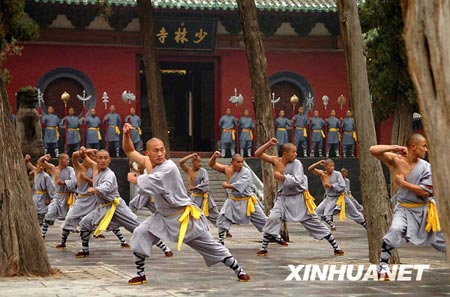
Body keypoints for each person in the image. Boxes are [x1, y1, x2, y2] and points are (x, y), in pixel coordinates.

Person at [123, 123, 250, 284]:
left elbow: (148, 181)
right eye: (156, 150)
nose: (161, 153)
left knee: (211, 246)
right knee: (140, 232)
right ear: (148, 153)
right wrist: (126, 134)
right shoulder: (148, 162)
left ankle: (239, 271)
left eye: (162, 149)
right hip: (162, 217)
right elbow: (129, 151)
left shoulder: (168, 167)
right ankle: (141, 274)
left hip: (183, 217)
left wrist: (133, 178)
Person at [369, 134, 446, 280]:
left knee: (443, 239)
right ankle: (383, 266)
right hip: (403, 208)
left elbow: (426, 191)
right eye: (424, 146)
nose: (426, 149)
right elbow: (373, 150)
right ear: (413, 147)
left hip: (425, 211)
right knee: (396, 229)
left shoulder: (426, 167)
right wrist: (396, 147)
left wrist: (403, 183)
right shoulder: (396, 160)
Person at [254, 138, 344, 256]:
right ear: (286, 153)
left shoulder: (297, 164)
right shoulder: (276, 161)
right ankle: (264, 248)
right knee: (272, 218)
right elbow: (258, 154)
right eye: (294, 152)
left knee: (314, 222)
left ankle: (335, 246)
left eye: (296, 152)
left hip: (299, 199)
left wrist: (282, 177)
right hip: (283, 198)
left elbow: (298, 181)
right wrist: (269, 144)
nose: (296, 154)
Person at [209, 152, 267, 245]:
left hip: (247, 200)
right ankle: (221, 239)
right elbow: (212, 164)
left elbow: (242, 184)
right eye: (238, 162)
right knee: (222, 217)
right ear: (232, 162)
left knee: (262, 219)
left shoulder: (246, 172)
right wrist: (214, 156)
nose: (240, 164)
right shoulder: (227, 169)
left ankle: (275, 236)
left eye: (242, 162)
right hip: (232, 200)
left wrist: (227, 185)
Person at [308, 159, 366, 231]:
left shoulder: (337, 174)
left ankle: (366, 225)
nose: (332, 167)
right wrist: (319, 162)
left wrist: (331, 186)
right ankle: (319, 230)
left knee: (355, 214)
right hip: (329, 198)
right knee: (318, 212)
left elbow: (342, 186)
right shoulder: (322, 174)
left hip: (341, 197)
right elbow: (310, 169)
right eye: (330, 166)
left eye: (333, 166)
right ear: (325, 167)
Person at [39, 153, 77, 238]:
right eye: (66, 159)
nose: (68, 161)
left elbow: (74, 181)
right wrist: (44, 157)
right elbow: (42, 162)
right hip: (57, 196)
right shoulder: (53, 168)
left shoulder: (70, 170)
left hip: (67, 196)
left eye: (68, 159)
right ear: (61, 160)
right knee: (50, 212)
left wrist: (65, 182)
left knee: (70, 216)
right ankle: (43, 232)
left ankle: (65, 237)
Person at [179, 153, 220, 227]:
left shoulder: (203, 171)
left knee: (214, 214)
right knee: (191, 214)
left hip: (205, 197)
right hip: (194, 198)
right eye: (198, 162)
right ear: (193, 162)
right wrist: (190, 156)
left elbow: (205, 183)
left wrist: (195, 187)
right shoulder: (189, 171)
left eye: (200, 162)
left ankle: (223, 229)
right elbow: (181, 162)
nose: (200, 164)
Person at [24, 154, 55, 226]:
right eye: (39, 165)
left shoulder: (46, 176)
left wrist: (50, 198)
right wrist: (27, 159)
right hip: (36, 194)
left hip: (44, 194)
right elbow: (29, 165)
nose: (41, 167)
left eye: (42, 166)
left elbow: (49, 187)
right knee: (35, 208)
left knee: (43, 209)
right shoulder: (35, 171)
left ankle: (45, 219)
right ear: (37, 165)